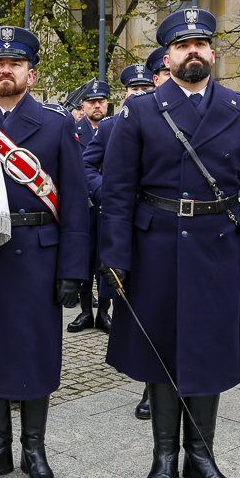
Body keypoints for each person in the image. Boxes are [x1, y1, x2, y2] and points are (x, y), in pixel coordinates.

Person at [100, 8, 240, 478]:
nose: (192, 52)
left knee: (210, 351)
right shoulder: (139, 111)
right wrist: (115, 258)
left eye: (200, 44)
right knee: (161, 355)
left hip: (219, 246)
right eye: (182, 45)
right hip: (155, 247)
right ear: (167, 56)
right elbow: (116, 193)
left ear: (212, 53)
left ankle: (202, 458)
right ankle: (163, 459)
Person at [0, 26, 88, 478]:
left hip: (38, 255)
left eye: (15, 64)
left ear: (30, 74)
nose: (6, 70)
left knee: (36, 355)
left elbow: (75, 203)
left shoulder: (56, 124)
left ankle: (34, 450)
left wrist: (73, 270)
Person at [81, 64, 158, 417]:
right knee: (142, 309)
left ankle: (157, 387)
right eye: (134, 88)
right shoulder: (112, 127)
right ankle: (148, 383)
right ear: (124, 94)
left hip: (161, 227)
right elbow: (87, 167)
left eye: (146, 86)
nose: (140, 93)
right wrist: (108, 195)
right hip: (124, 227)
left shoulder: (172, 121)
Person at [68, 78, 112, 335]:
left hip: (109, 207)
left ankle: (104, 312)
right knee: (84, 259)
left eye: (101, 101)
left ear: (107, 104)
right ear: (82, 106)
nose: (97, 106)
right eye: (92, 102)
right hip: (83, 207)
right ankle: (85, 312)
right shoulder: (72, 130)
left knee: (105, 259)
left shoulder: (119, 127)